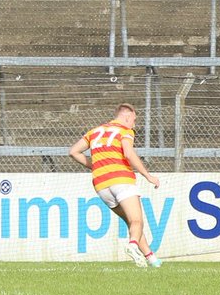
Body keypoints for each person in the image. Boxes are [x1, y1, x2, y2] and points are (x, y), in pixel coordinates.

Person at [68, 103, 163, 268]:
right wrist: (148, 175)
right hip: (121, 180)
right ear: (126, 117)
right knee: (137, 221)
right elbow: (128, 153)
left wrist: (95, 164)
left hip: (101, 185)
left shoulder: (94, 131)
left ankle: (152, 259)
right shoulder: (125, 131)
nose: (134, 124)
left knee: (131, 222)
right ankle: (132, 246)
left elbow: (73, 152)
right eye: (133, 120)